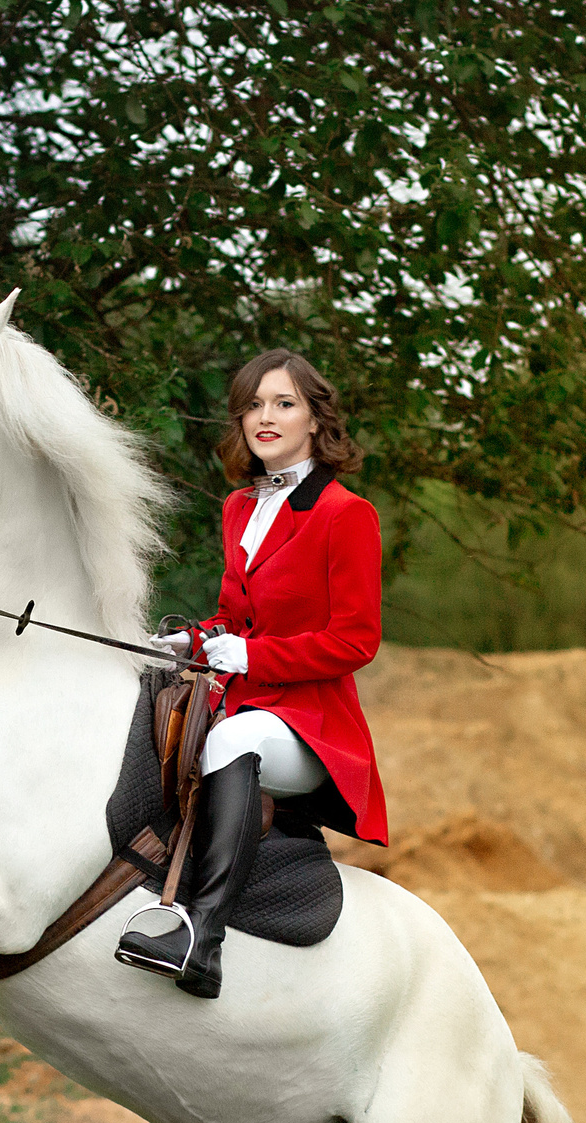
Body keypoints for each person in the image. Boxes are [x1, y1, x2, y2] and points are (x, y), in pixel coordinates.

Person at [114, 348, 389, 999]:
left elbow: (357, 640)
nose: (265, 417)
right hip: (243, 701)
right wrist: (192, 638)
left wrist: (256, 657)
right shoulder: (242, 505)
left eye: (284, 404)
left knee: (231, 742)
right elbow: (236, 617)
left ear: (316, 421)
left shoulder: (346, 514)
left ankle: (201, 939)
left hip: (311, 726)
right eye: (253, 405)